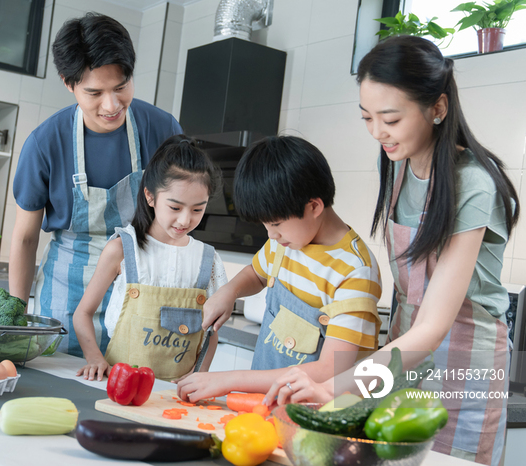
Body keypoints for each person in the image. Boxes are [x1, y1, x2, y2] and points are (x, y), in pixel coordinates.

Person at [265, 36, 520, 466]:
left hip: (463, 366)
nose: (377, 132)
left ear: (437, 108)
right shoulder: (399, 165)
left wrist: (336, 386)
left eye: (391, 118)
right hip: (402, 358)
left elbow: (434, 325)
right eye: (367, 117)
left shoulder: (473, 184)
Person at [10, 13, 182, 357]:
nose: (111, 105)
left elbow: (180, 224)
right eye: (94, 92)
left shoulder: (164, 131)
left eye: (121, 87)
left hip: (141, 295)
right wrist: (15, 315)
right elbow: (26, 237)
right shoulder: (45, 142)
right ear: (68, 83)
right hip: (65, 297)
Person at [176, 136, 382, 401]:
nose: (271, 235)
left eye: (275, 224)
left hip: (319, 417)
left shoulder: (354, 271)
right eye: (265, 226)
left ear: (314, 206)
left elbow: (330, 369)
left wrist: (230, 379)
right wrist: (229, 292)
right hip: (271, 402)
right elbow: (257, 274)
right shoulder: (286, 242)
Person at [73, 135, 228, 381]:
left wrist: (199, 375)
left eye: (198, 209)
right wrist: (94, 357)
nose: (185, 220)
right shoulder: (123, 249)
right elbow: (82, 313)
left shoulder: (208, 260)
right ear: (150, 196)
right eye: (175, 207)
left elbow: (212, 332)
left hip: (176, 392)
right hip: (120, 384)